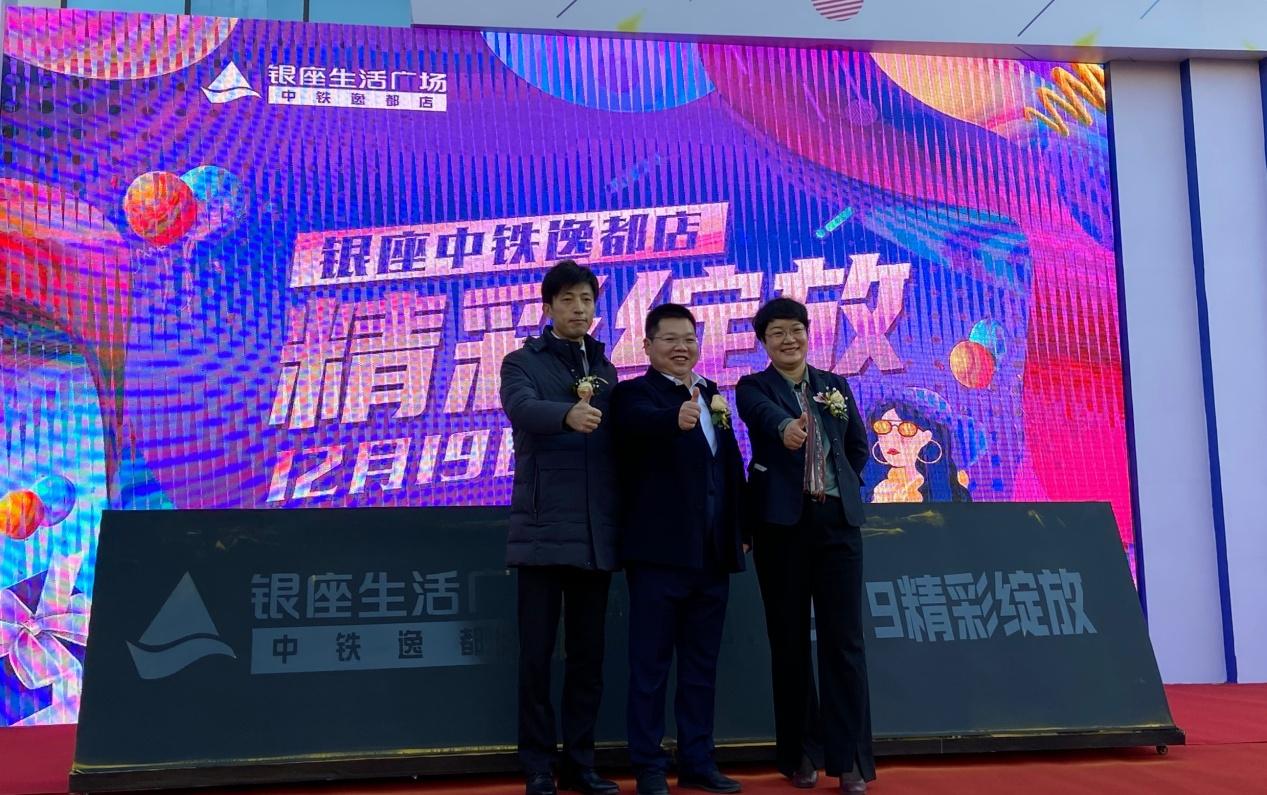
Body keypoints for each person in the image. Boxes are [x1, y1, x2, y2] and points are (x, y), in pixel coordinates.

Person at [734, 297, 875, 793]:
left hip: (837, 525)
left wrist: (841, 487)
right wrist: (785, 429)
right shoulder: (752, 386)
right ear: (764, 342)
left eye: (795, 330)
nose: (788, 339)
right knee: (789, 642)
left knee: (844, 642)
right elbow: (762, 415)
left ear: (808, 333)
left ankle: (849, 758)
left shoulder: (835, 386)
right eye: (777, 333)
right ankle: (801, 754)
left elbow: (856, 447)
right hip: (781, 528)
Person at [611, 304, 747, 795]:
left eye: (688, 338)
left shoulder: (711, 393)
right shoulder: (631, 394)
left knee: (701, 669)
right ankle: (649, 765)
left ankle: (697, 760)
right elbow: (639, 424)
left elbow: (729, 468)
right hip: (658, 557)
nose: (681, 347)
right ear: (647, 346)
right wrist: (675, 418)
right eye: (669, 339)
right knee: (650, 668)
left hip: (711, 556)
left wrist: (740, 529)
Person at [499, 260, 621, 795]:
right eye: (568, 299)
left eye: (587, 300)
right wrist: (566, 415)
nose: (579, 309)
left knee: (588, 659)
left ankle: (580, 761)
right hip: (542, 533)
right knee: (536, 657)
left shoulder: (606, 367)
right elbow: (521, 409)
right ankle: (536, 764)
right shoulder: (521, 362)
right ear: (547, 307)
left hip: (594, 535)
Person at [864, 397, 971, 503]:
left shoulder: (950, 493)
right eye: (883, 426)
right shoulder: (873, 486)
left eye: (907, 429)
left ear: (926, 437)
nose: (892, 438)